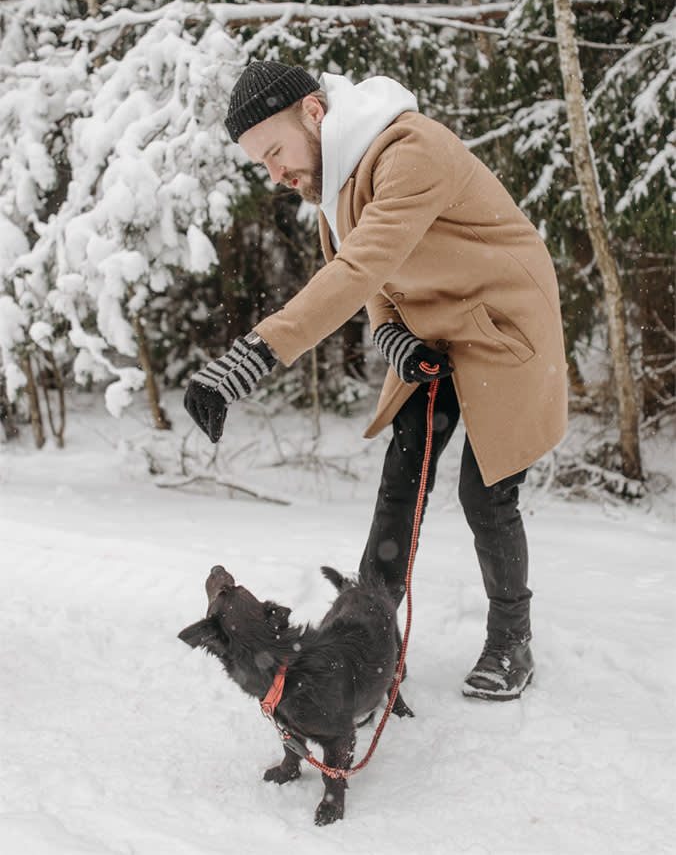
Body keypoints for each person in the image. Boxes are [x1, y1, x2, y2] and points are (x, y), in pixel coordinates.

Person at [184, 60, 568, 701]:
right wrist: (392, 334)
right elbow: (379, 287)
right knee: (403, 478)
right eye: (262, 165)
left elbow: (359, 267)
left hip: (504, 325)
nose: (276, 175)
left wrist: (249, 357)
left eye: (275, 152)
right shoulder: (333, 186)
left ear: (314, 111)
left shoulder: (409, 149)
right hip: (432, 334)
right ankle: (370, 638)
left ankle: (512, 640)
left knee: (486, 492)